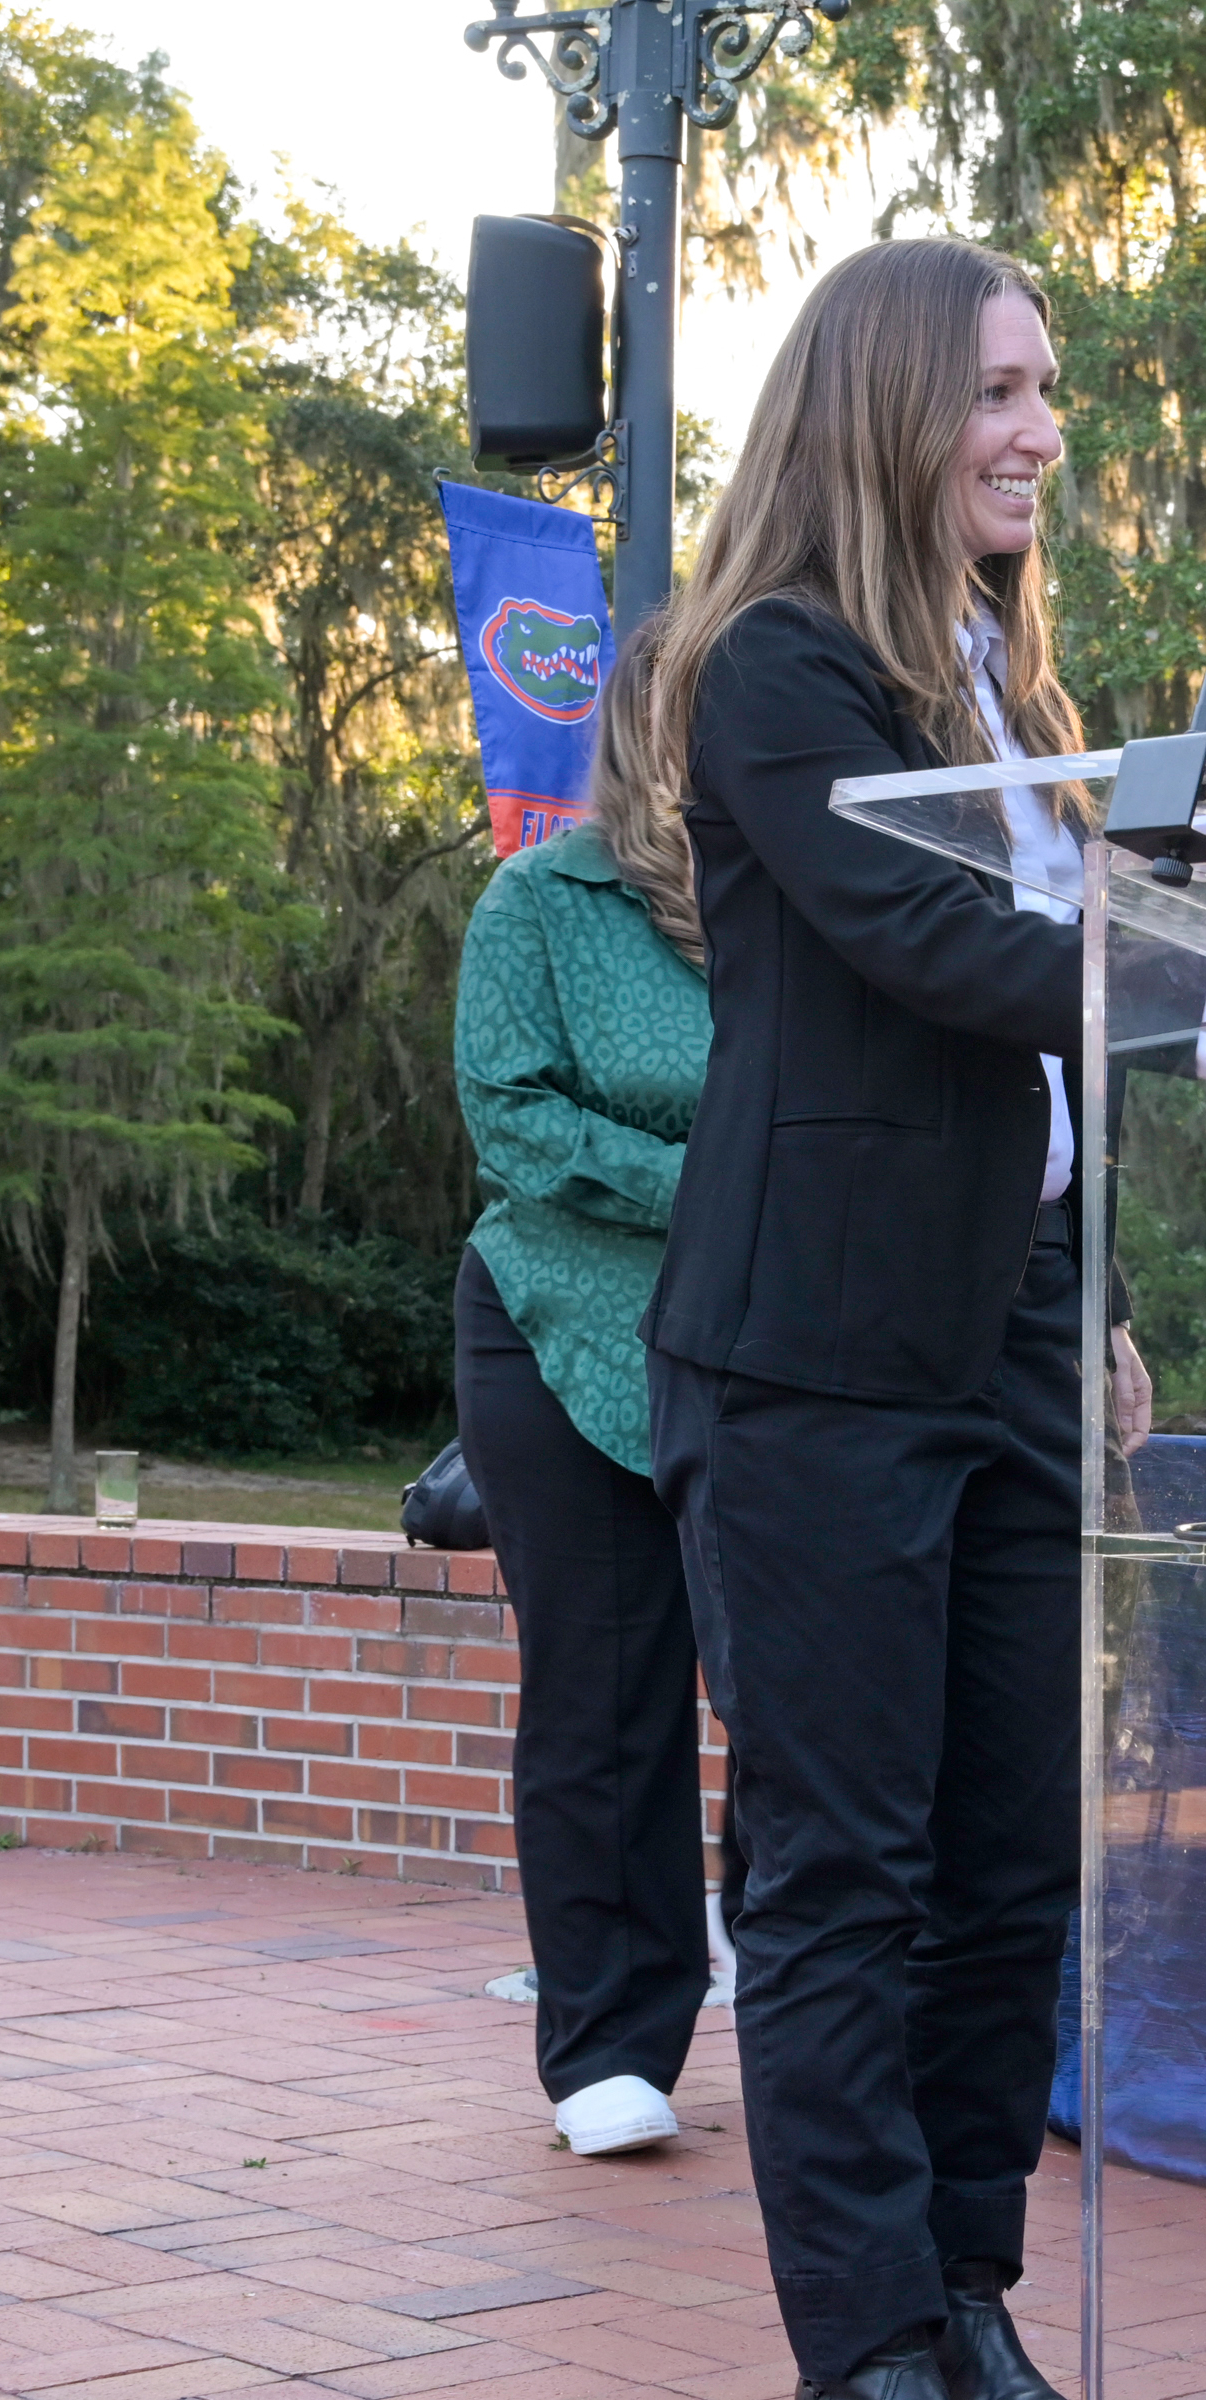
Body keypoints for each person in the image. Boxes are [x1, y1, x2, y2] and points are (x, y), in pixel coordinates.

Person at [600, 235, 1206, 2400]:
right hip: (813, 1361)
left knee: (1005, 1859)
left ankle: (966, 2292)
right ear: (885, 404)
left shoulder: (991, 676)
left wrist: (1088, 1292)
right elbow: (939, 956)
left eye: (1048, 389)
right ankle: (857, 2355)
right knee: (843, 1866)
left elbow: (1027, 1074)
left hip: (1003, 1331)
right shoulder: (769, 668)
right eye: (995, 389)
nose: (1036, 430)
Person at [453, 667, 737, 2162]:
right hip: (564, 1332)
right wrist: (717, 1190)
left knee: (808, 1689)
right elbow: (514, 1116)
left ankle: (798, 1968)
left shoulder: (807, 903)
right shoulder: (539, 905)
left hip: (774, 1342)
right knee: (607, 1691)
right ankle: (611, 2047)